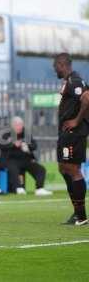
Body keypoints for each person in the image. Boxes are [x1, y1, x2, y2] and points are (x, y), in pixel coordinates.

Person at [54, 53, 89, 226]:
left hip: (74, 134)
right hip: (67, 134)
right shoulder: (69, 82)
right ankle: (77, 212)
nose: (55, 69)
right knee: (63, 168)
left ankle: (81, 216)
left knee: (72, 169)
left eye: (56, 66)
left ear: (62, 64)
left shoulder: (75, 81)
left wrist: (76, 120)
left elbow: (87, 98)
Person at [0, 116, 52, 196]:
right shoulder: (6, 134)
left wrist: (26, 146)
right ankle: (18, 188)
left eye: (20, 125)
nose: (19, 127)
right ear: (12, 125)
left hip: (26, 159)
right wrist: (13, 144)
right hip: (11, 160)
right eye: (17, 125)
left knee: (40, 169)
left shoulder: (26, 134)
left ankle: (39, 189)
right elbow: (2, 146)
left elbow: (34, 146)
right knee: (13, 168)